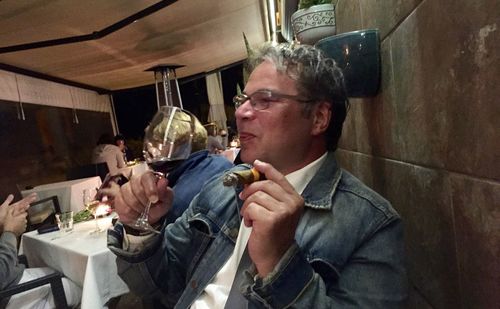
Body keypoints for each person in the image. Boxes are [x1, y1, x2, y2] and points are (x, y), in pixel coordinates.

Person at [107, 43, 407, 308]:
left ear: (318, 118)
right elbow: (160, 285)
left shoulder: (371, 224)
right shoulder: (223, 187)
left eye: (264, 100)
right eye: (244, 101)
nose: (241, 113)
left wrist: (280, 261)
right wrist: (141, 230)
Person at [0, 194, 82, 308]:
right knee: (84, 287)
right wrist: (10, 232)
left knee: (73, 273)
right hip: (10, 296)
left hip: (15, 279)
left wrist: (2, 221)